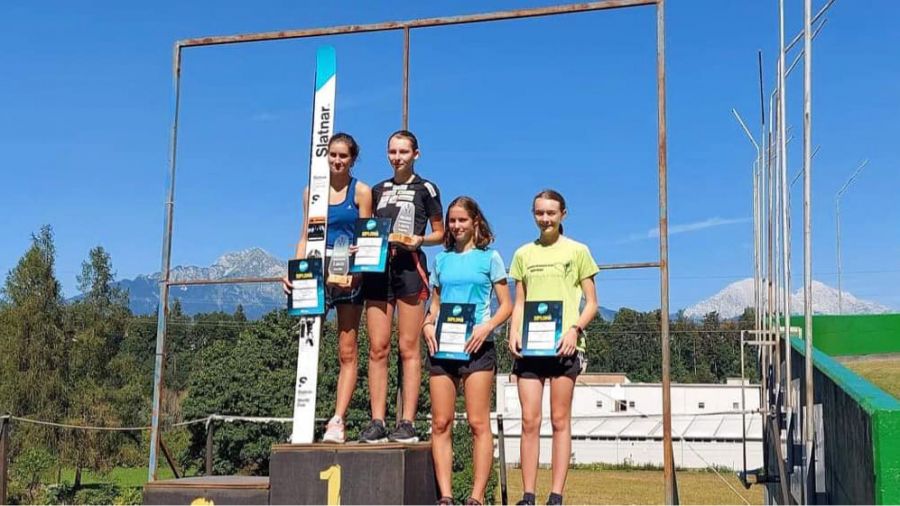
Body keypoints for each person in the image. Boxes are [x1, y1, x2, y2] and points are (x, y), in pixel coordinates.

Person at [508, 189, 598, 505]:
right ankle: (528, 495)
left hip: (564, 349)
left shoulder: (578, 251)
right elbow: (519, 302)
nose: (545, 218)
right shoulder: (523, 254)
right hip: (531, 349)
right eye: (539, 213)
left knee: (560, 420)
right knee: (529, 421)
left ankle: (556, 495)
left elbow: (592, 303)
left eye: (550, 213)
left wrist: (575, 330)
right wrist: (513, 332)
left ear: (563, 215)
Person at [422, 196, 512, 506]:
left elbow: (507, 305)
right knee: (440, 423)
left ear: (475, 222)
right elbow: (434, 304)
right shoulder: (441, 260)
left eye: (462, 220)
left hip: (478, 349)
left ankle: (476, 497)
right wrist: (427, 324)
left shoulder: (490, 258)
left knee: (477, 422)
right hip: (443, 349)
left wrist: (488, 327)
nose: (456, 225)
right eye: (452, 220)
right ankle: (446, 496)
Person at [283, 132, 372, 443]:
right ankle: (303, 418)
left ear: (352, 159)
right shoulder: (312, 192)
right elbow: (304, 235)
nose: (337, 161)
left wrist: (358, 268)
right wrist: (295, 272)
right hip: (316, 274)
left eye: (343, 156)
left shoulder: (361, 192)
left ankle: (337, 420)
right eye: (332, 155)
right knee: (308, 345)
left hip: (347, 276)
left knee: (347, 349)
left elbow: (367, 237)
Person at [359, 129, 445, 443]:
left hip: (410, 267)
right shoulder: (377, 190)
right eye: (392, 152)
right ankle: (377, 420)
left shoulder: (427, 188)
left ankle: (407, 421)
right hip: (378, 269)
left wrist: (419, 240)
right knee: (377, 348)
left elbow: (441, 233)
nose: (397, 157)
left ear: (416, 154)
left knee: (408, 347)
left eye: (403, 152)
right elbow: (366, 229)